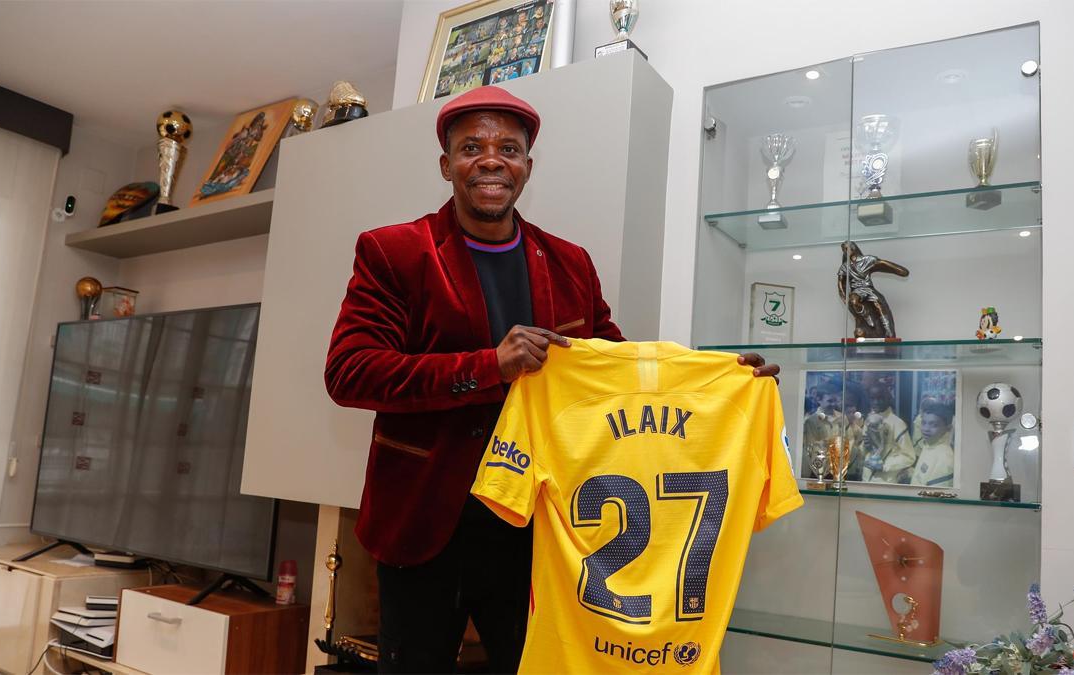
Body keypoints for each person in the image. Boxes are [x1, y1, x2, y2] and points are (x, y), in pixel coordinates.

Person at [324, 85, 779, 674]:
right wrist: (491, 365)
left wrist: (718, 380)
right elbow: (351, 372)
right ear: (446, 165)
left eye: (508, 148)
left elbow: (614, 366)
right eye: (471, 148)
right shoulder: (394, 251)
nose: (491, 160)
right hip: (426, 524)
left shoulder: (569, 262)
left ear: (527, 167)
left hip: (541, 531)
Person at [859, 379, 917, 483]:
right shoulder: (869, 420)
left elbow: (909, 456)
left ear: (889, 398)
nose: (876, 402)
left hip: (886, 480)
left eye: (880, 398)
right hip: (867, 477)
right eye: (873, 398)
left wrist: (884, 466)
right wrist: (865, 447)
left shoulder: (897, 423)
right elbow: (863, 452)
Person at [910, 401, 955, 487]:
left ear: (948, 428)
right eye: (923, 423)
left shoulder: (945, 459)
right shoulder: (928, 444)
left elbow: (934, 496)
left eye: (934, 425)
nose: (926, 429)